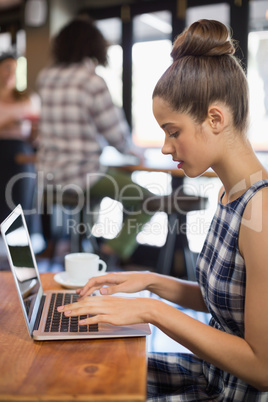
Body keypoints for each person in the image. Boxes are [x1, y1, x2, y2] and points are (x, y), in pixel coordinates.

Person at [57, 19, 268, 400]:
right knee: (78, 373)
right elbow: (227, 301)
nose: (166, 148)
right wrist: (150, 280)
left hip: (228, 392)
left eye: (173, 132)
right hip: (210, 374)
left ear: (215, 119)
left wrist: (151, 311)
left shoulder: (262, 213)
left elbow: (262, 367)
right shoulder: (232, 193)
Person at [36, 16, 156, 261]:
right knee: (150, 200)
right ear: (94, 45)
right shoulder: (91, 82)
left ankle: (81, 252)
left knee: (96, 193)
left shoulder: (45, 78)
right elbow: (116, 136)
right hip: (81, 176)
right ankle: (112, 252)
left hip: (48, 178)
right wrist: (136, 152)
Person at [0, 51, 40, 225]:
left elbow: (35, 141)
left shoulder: (29, 99)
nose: (11, 73)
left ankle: (20, 235)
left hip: (22, 154)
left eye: (15, 69)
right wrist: (5, 125)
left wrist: (36, 131)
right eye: (7, 68)